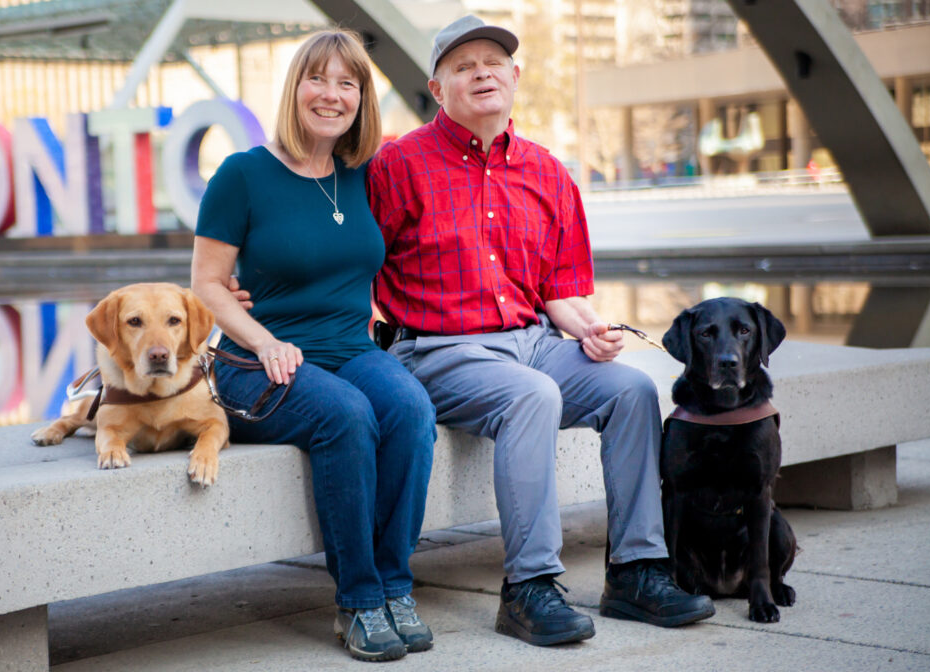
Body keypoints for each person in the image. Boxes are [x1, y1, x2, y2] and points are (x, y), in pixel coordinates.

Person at [366, 15, 716, 647]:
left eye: (493, 63)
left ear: (515, 78)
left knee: (630, 389)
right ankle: (529, 589)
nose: (482, 73)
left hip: (531, 342)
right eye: (463, 66)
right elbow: (357, 266)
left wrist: (592, 331)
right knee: (533, 395)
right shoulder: (399, 165)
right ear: (437, 88)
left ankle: (636, 572)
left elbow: (562, 289)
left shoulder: (547, 171)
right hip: (440, 350)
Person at [190, 30, 437, 663]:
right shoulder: (243, 174)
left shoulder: (361, 174)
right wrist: (265, 339)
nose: (331, 94)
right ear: (295, 87)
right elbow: (208, 287)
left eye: (347, 83)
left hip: (351, 349)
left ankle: (393, 587)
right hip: (256, 362)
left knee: (410, 409)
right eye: (318, 79)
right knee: (347, 415)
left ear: (361, 98)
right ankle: (357, 600)